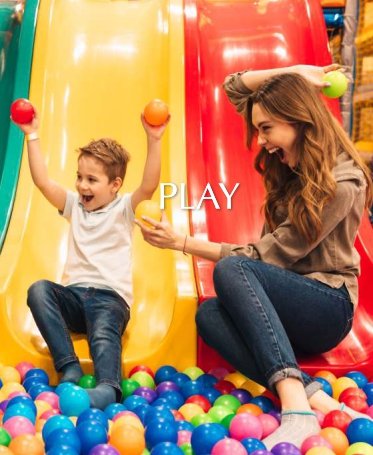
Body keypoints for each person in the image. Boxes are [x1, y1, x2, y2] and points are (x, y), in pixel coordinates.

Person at [136, 64, 373, 449]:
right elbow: (233, 86)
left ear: (298, 121)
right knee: (209, 314)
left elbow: (266, 257)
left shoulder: (342, 183)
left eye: (267, 129)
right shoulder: (291, 166)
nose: (260, 140)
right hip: (286, 305)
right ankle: (315, 397)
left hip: (328, 307)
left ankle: (296, 408)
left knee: (232, 269)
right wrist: (297, 72)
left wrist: (181, 242)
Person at [12, 107, 169, 410]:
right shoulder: (74, 206)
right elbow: (43, 183)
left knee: (102, 335)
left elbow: (149, 185)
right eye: (80, 177)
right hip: (73, 297)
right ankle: (68, 366)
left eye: (92, 180)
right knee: (38, 290)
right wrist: (32, 135)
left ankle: (108, 386)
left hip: (109, 299)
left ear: (115, 185)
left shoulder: (123, 209)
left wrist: (154, 139)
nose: (83, 186)